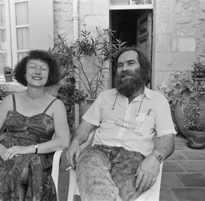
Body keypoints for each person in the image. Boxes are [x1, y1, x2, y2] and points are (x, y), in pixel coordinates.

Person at [66, 47, 176, 201]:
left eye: (130, 63)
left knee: (111, 190)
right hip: (98, 152)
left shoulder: (158, 101)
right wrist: (75, 143)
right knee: (88, 169)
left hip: (134, 158)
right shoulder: (105, 97)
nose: (124, 68)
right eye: (120, 65)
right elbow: (85, 127)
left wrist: (154, 159)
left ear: (143, 69)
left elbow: (167, 138)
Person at [0, 50, 70, 201]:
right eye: (32, 67)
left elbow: (64, 140)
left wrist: (28, 149)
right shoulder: (9, 100)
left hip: (38, 156)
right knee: (8, 168)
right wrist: (2, 151)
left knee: (14, 170)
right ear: (24, 74)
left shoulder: (56, 105)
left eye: (43, 68)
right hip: (7, 152)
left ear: (49, 76)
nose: (38, 71)